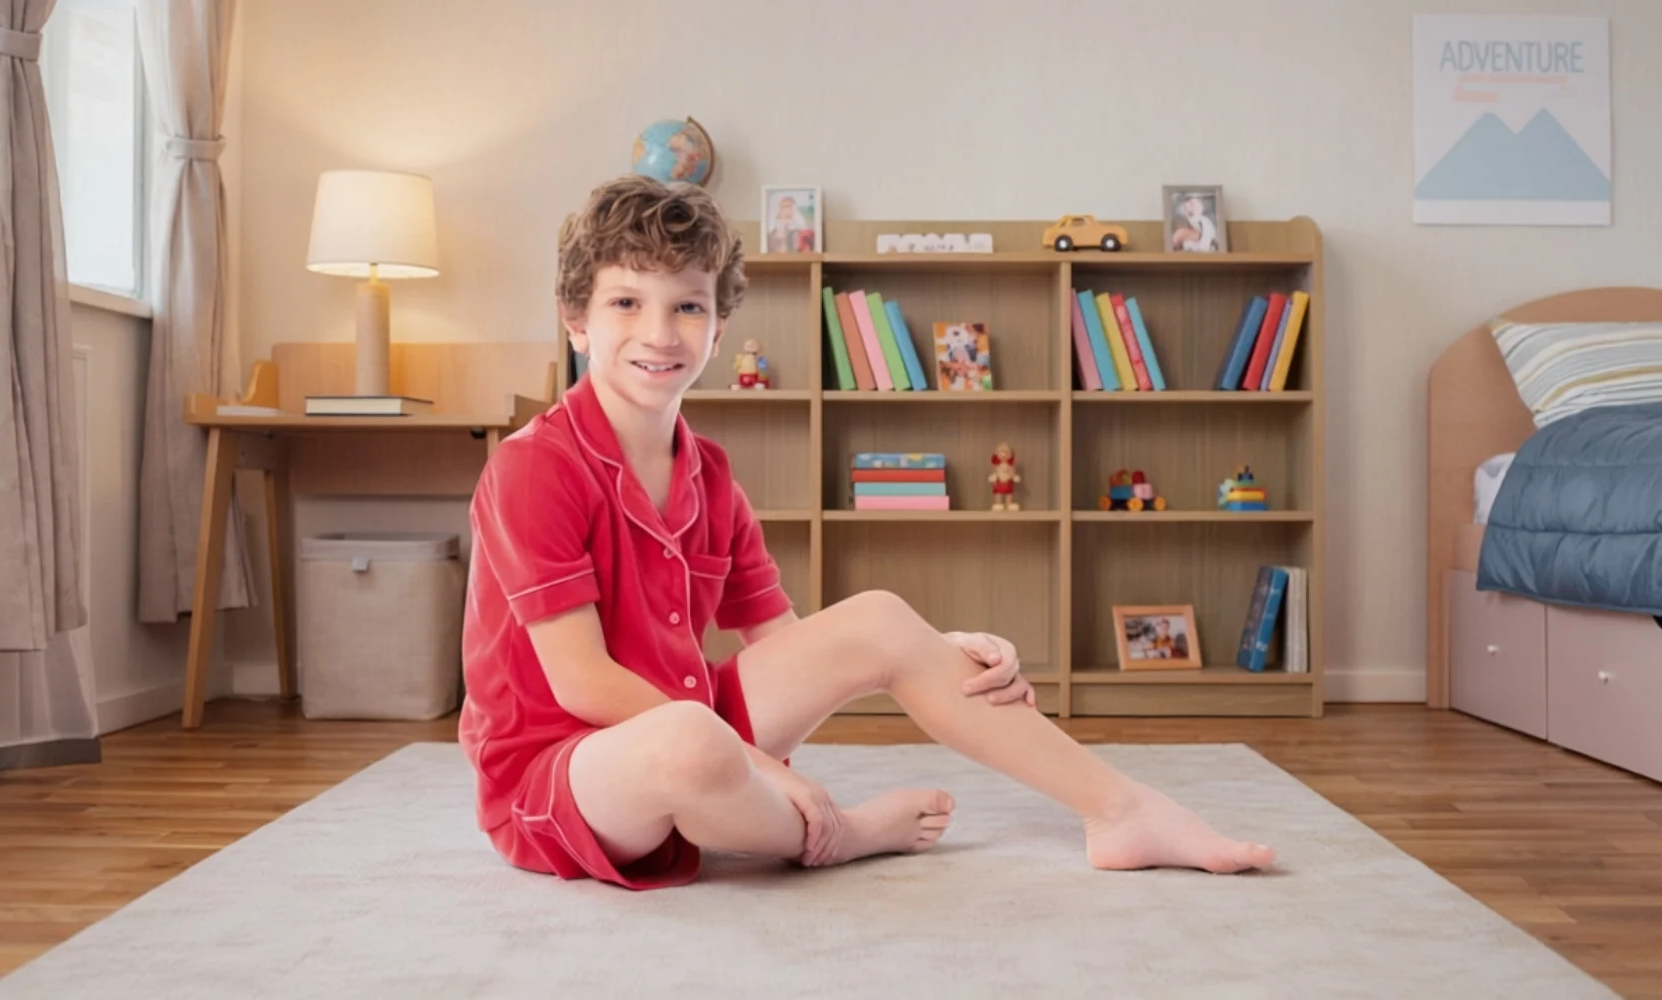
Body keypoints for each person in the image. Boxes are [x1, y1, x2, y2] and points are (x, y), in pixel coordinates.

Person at [459, 174, 1275, 891]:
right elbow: (581, 683)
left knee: (879, 614)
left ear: (718, 324)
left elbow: (790, 644)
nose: (660, 332)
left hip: (695, 728)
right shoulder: (537, 467)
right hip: (566, 776)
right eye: (626, 302)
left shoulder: (707, 471)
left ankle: (1124, 810)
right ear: (576, 320)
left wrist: (934, 652)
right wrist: (752, 760)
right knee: (686, 740)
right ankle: (836, 835)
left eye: (688, 306)